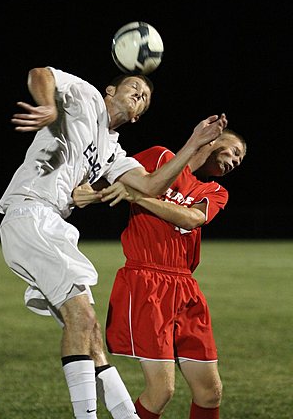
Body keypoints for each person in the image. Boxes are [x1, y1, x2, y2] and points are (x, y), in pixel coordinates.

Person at [0, 65, 227, 419]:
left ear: (137, 118)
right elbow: (40, 73)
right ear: (110, 91)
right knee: (82, 317)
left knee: (92, 338)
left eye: (146, 97)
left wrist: (194, 143)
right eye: (134, 87)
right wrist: (49, 106)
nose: (140, 94)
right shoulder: (85, 97)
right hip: (31, 212)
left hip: (55, 225)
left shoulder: (113, 152)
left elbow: (150, 186)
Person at [73, 129, 246, 419]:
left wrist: (138, 198)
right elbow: (114, 177)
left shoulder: (216, 192)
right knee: (161, 391)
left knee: (210, 392)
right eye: (235, 151)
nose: (236, 161)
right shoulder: (160, 157)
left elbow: (192, 219)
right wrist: (88, 193)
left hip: (185, 287)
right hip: (146, 281)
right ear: (213, 139)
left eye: (240, 160)